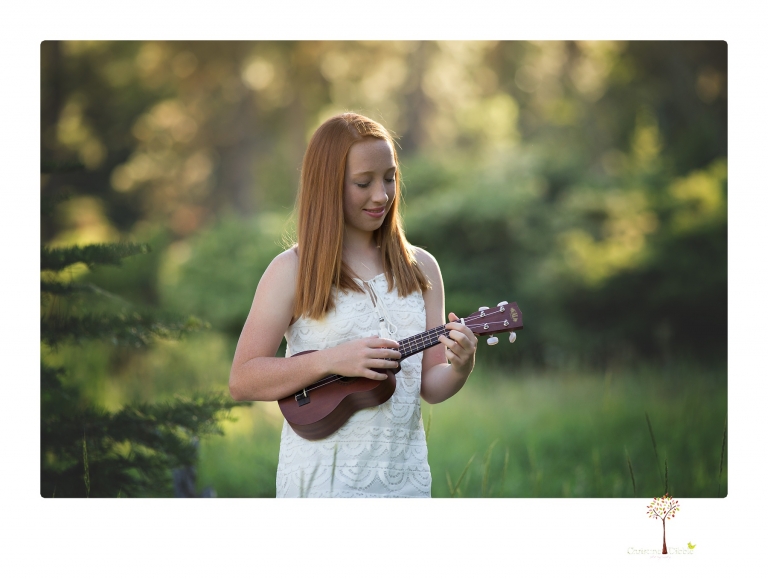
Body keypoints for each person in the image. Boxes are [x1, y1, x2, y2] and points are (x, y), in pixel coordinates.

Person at [229, 112, 478, 497]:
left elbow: (430, 384)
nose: (382, 195)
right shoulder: (292, 270)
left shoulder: (421, 268)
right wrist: (330, 360)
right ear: (328, 186)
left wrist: (461, 366)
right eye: (364, 182)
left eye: (390, 178)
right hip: (322, 485)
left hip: (404, 481)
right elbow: (243, 378)